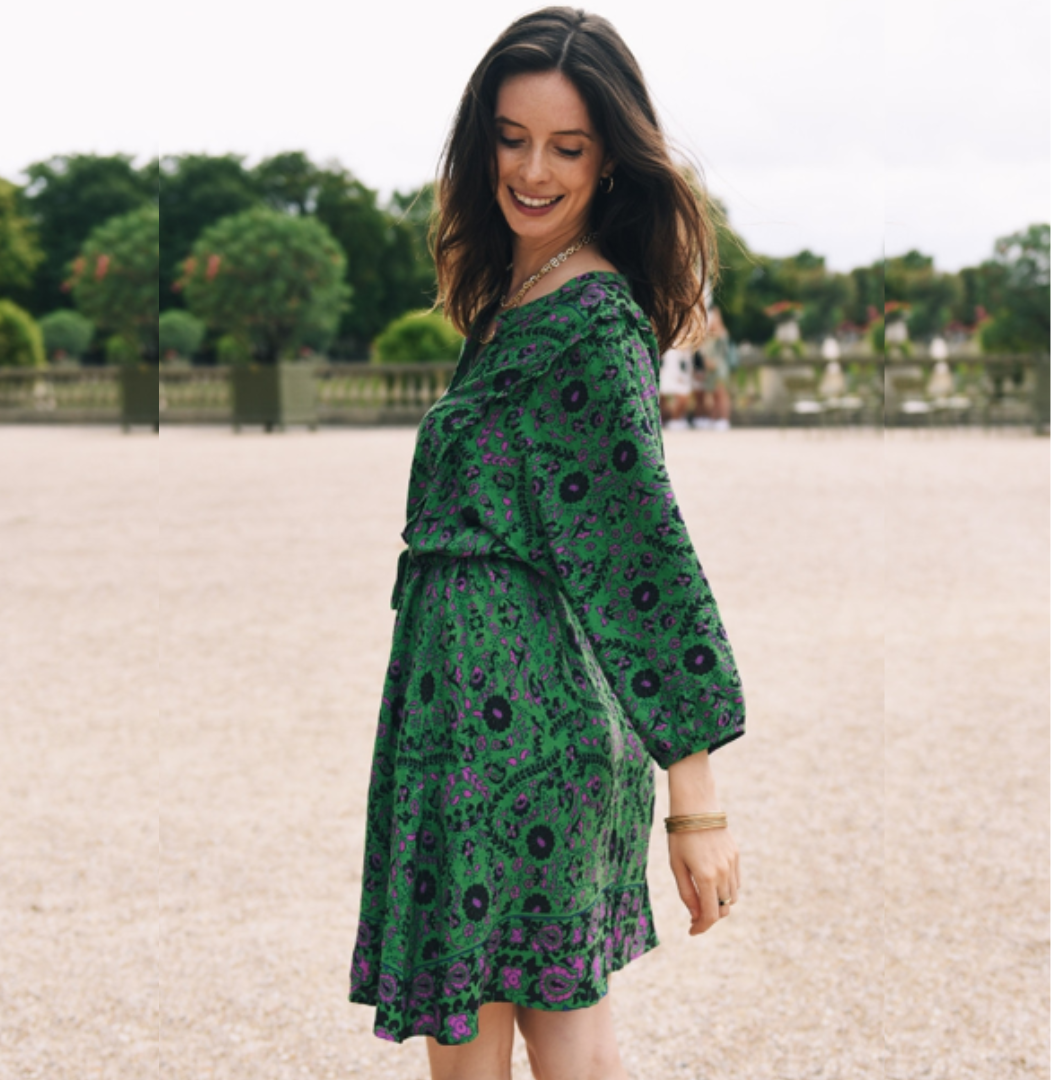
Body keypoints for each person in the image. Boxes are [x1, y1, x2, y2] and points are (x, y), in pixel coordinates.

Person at [348, 9, 746, 1078]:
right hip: (461, 726)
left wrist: (696, 802)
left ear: (609, 157)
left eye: (567, 148)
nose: (532, 171)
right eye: (512, 138)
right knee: (490, 1046)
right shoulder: (514, 300)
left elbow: (641, 555)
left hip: (522, 740)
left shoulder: (593, 323)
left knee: (539, 1049)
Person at [691, 306, 733, 431]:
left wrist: (714, 362)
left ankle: (724, 419)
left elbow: (724, 353)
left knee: (721, 394)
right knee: (714, 395)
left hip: (720, 368)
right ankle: (714, 419)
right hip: (709, 369)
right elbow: (702, 352)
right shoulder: (707, 334)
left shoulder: (722, 333)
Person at [659, 331, 694, 430]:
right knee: (664, 400)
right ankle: (670, 420)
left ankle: (676, 419)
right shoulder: (671, 345)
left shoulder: (688, 347)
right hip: (669, 375)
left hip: (683, 376)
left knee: (683, 398)